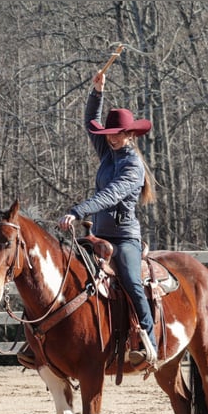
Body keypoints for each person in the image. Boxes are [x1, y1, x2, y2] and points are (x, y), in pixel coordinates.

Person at [57, 68, 158, 369]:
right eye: (109, 134)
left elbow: (110, 195)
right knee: (66, 273)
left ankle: (149, 341)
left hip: (124, 237)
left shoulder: (133, 167)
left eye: (116, 134)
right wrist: (96, 92)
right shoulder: (108, 153)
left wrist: (77, 210)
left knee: (130, 280)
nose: (110, 138)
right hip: (98, 235)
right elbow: (91, 123)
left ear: (129, 134)